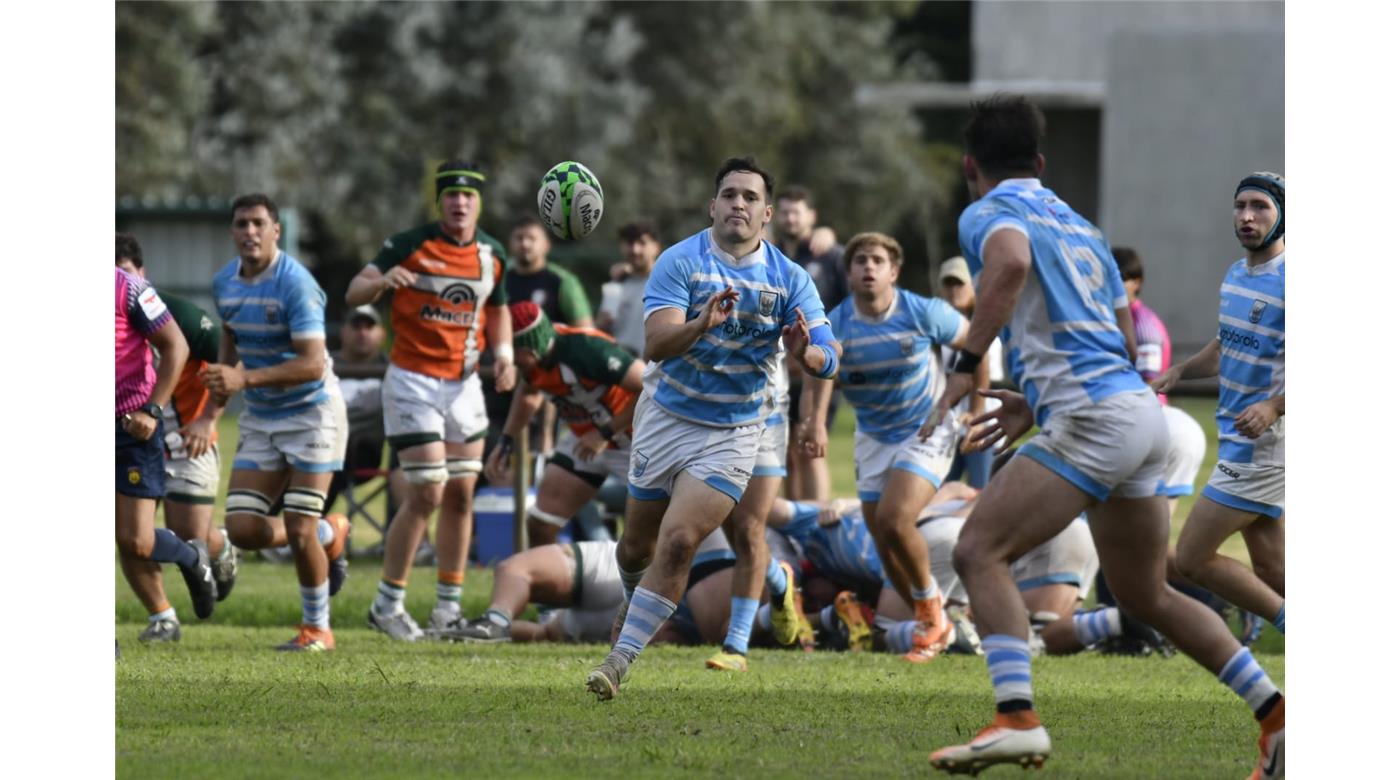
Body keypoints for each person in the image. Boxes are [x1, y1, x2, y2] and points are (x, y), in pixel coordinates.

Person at [924, 97, 1282, 777]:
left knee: (977, 550)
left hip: (1094, 418)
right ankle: (1277, 715)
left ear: (971, 166)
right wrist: (1038, 402)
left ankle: (1016, 718)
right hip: (1142, 415)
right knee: (1147, 594)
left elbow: (1008, 265)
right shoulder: (1083, 227)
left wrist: (967, 363)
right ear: (1040, 161)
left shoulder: (987, 211)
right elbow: (1118, 335)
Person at [584, 156, 839, 700]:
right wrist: (701, 324)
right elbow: (656, 345)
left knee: (681, 541)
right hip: (666, 418)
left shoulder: (789, 278)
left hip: (735, 430)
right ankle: (633, 599)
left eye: (750, 197)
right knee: (636, 546)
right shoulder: (680, 261)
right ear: (712, 206)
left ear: (767, 213)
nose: (738, 204)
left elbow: (830, 353)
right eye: (729, 195)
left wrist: (808, 354)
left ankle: (619, 661)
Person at [345, 160, 516, 642]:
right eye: (451, 195)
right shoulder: (408, 244)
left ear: (479, 202)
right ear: (439, 201)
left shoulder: (492, 253)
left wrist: (504, 355)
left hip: (464, 385)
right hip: (413, 382)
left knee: (461, 493)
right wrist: (381, 283)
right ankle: (387, 605)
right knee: (427, 492)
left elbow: (498, 309)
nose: (460, 203)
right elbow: (354, 291)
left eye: (468, 195)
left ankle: (447, 609)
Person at [803, 231, 970, 664]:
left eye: (877, 261)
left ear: (893, 271)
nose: (869, 268)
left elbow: (975, 344)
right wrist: (816, 421)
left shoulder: (921, 311)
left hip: (926, 427)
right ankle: (932, 620)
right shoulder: (837, 322)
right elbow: (821, 368)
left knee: (895, 519)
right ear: (849, 272)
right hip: (873, 436)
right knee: (882, 541)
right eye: (860, 261)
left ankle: (932, 612)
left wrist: (971, 407)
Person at [205, 194, 351, 652]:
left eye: (258, 223)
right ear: (233, 231)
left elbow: (312, 364)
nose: (249, 232)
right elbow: (231, 338)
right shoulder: (224, 282)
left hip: (313, 414)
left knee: (299, 528)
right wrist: (212, 408)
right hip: (263, 416)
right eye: (241, 224)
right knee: (243, 530)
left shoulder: (296, 284)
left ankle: (317, 629)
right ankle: (330, 532)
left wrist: (243, 378)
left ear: (276, 231)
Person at [1153, 173, 1286, 644]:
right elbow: (1224, 347)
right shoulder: (1236, 275)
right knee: (1273, 570)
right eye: (1240, 205)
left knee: (1191, 558)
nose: (1247, 216)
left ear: (1284, 216)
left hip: (1262, 450)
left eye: (1260, 207)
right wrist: (1179, 372)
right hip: (1238, 440)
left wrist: (1274, 406)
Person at [116, 234, 239, 605]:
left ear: (142, 273)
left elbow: (229, 362)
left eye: (126, 270)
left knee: (181, 533)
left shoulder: (165, 308)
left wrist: (208, 418)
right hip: (129, 429)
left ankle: (211, 549)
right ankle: (162, 617)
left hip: (178, 436)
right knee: (129, 538)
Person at [479, 301, 643, 552]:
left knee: (649, 535)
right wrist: (506, 440)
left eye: (512, 352)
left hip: (630, 440)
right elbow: (529, 393)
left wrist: (606, 431)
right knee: (540, 523)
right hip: (585, 439)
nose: (507, 360)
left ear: (531, 347)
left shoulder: (585, 349)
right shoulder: (533, 360)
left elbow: (651, 386)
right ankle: (546, 577)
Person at [114, 264, 214, 644]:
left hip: (130, 429)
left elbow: (177, 346)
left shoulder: (129, 289)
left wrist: (152, 411)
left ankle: (191, 557)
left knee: (136, 542)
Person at [772, 186, 847, 503]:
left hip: (818, 368)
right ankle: (795, 521)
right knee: (787, 453)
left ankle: (818, 521)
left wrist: (836, 349)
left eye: (796, 212)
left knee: (810, 448)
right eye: (785, 212)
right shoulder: (771, 254)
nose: (790, 218)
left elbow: (852, 305)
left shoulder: (829, 255)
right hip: (780, 370)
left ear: (811, 217)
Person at [327, 304, 409, 552]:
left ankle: (399, 540)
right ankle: (275, 533)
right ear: (344, 332)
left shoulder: (395, 371)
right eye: (356, 326)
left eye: (369, 327)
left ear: (381, 334)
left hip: (365, 453)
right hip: (322, 447)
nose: (362, 333)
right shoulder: (323, 366)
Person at [453, 540, 626, 643]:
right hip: (636, 610)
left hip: (619, 569)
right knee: (547, 633)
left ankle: (494, 621)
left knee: (515, 569)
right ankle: (471, 629)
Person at [936, 256, 1001, 489]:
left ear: (974, 286)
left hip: (984, 424)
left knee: (980, 491)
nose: (954, 289)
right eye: (948, 283)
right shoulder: (937, 333)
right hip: (946, 427)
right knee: (938, 491)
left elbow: (984, 374)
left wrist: (977, 416)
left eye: (960, 283)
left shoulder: (988, 328)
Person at [596, 219, 662, 357]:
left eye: (642, 243)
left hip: (655, 365)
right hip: (620, 363)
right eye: (629, 243)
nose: (635, 250)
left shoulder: (666, 282)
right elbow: (603, 330)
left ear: (656, 247)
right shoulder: (616, 285)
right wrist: (600, 325)